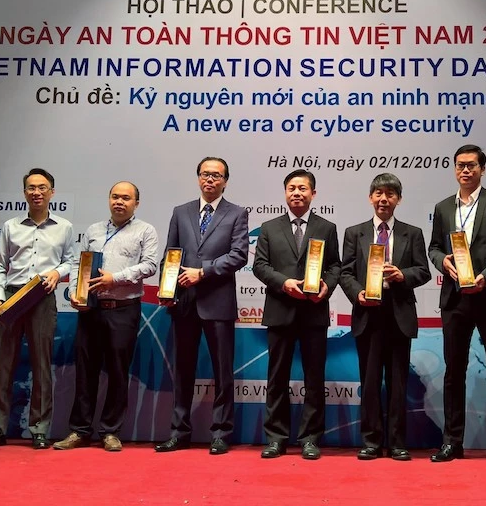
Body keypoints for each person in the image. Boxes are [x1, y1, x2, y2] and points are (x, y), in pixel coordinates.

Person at [428, 145, 486, 466]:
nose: (465, 170)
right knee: (453, 372)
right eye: (460, 165)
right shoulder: (443, 207)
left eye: (471, 165)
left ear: (483, 169)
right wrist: (442, 261)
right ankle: (451, 442)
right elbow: (434, 247)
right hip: (455, 298)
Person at [52, 181, 160, 452]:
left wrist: (116, 278)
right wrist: (75, 292)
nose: (119, 202)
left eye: (126, 198)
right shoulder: (93, 230)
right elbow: (79, 263)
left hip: (123, 309)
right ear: (109, 199)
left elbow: (150, 265)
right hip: (91, 310)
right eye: (115, 197)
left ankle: (111, 431)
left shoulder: (145, 230)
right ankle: (79, 430)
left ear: (136, 203)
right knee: (85, 372)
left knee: (118, 372)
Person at [155, 157, 249, 455]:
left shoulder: (237, 213)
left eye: (216, 175)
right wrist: (166, 288)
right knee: (183, 370)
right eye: (205, 174)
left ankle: (221, 433)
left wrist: (203, 271)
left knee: (223, 372)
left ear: (225, 181)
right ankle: (179, 432)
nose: (210, 179)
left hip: (218, 303)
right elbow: (170, 254)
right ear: (198, 178)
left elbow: (239, 255)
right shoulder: (180, 212)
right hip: (183, 302)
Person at [0, 168, 75, 450]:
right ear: (24, 193)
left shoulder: (64, 227)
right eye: (31, 188)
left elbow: (70, 261)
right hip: (12, 296)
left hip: (42, 297)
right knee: (4, 365)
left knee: (42, 366)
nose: (37, 192)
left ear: (52, 193)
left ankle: (40, 429)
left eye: (42, 187)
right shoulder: (11, 226)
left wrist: (57, 273)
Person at [340, 173, 431, 461]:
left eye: (390, 194)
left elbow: (424, 271)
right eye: (378, 193)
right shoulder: (355, 233)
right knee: (369, 383)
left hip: (398, 313)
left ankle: (397, 443)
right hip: (368, 313)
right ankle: (371, 441)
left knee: (397, 383)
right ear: (370, 198)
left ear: (398, 200)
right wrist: (357, 293)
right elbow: (345, 272)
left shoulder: (412, 233)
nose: (384, 199)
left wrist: (403, 275)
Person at [253, 169, 341, 460]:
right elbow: (260, 266)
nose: (297, 193)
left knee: (314, 378)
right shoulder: (269, 227)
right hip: (280, 310)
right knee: (277, 377)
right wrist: (284, 283)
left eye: (303, 188)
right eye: (292, 188)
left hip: (313, 312)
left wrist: (327, 286)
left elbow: (335, 266)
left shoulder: (327, 227)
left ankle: (311, 438)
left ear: (313, 193)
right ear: (285, 193)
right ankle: (276, 438)